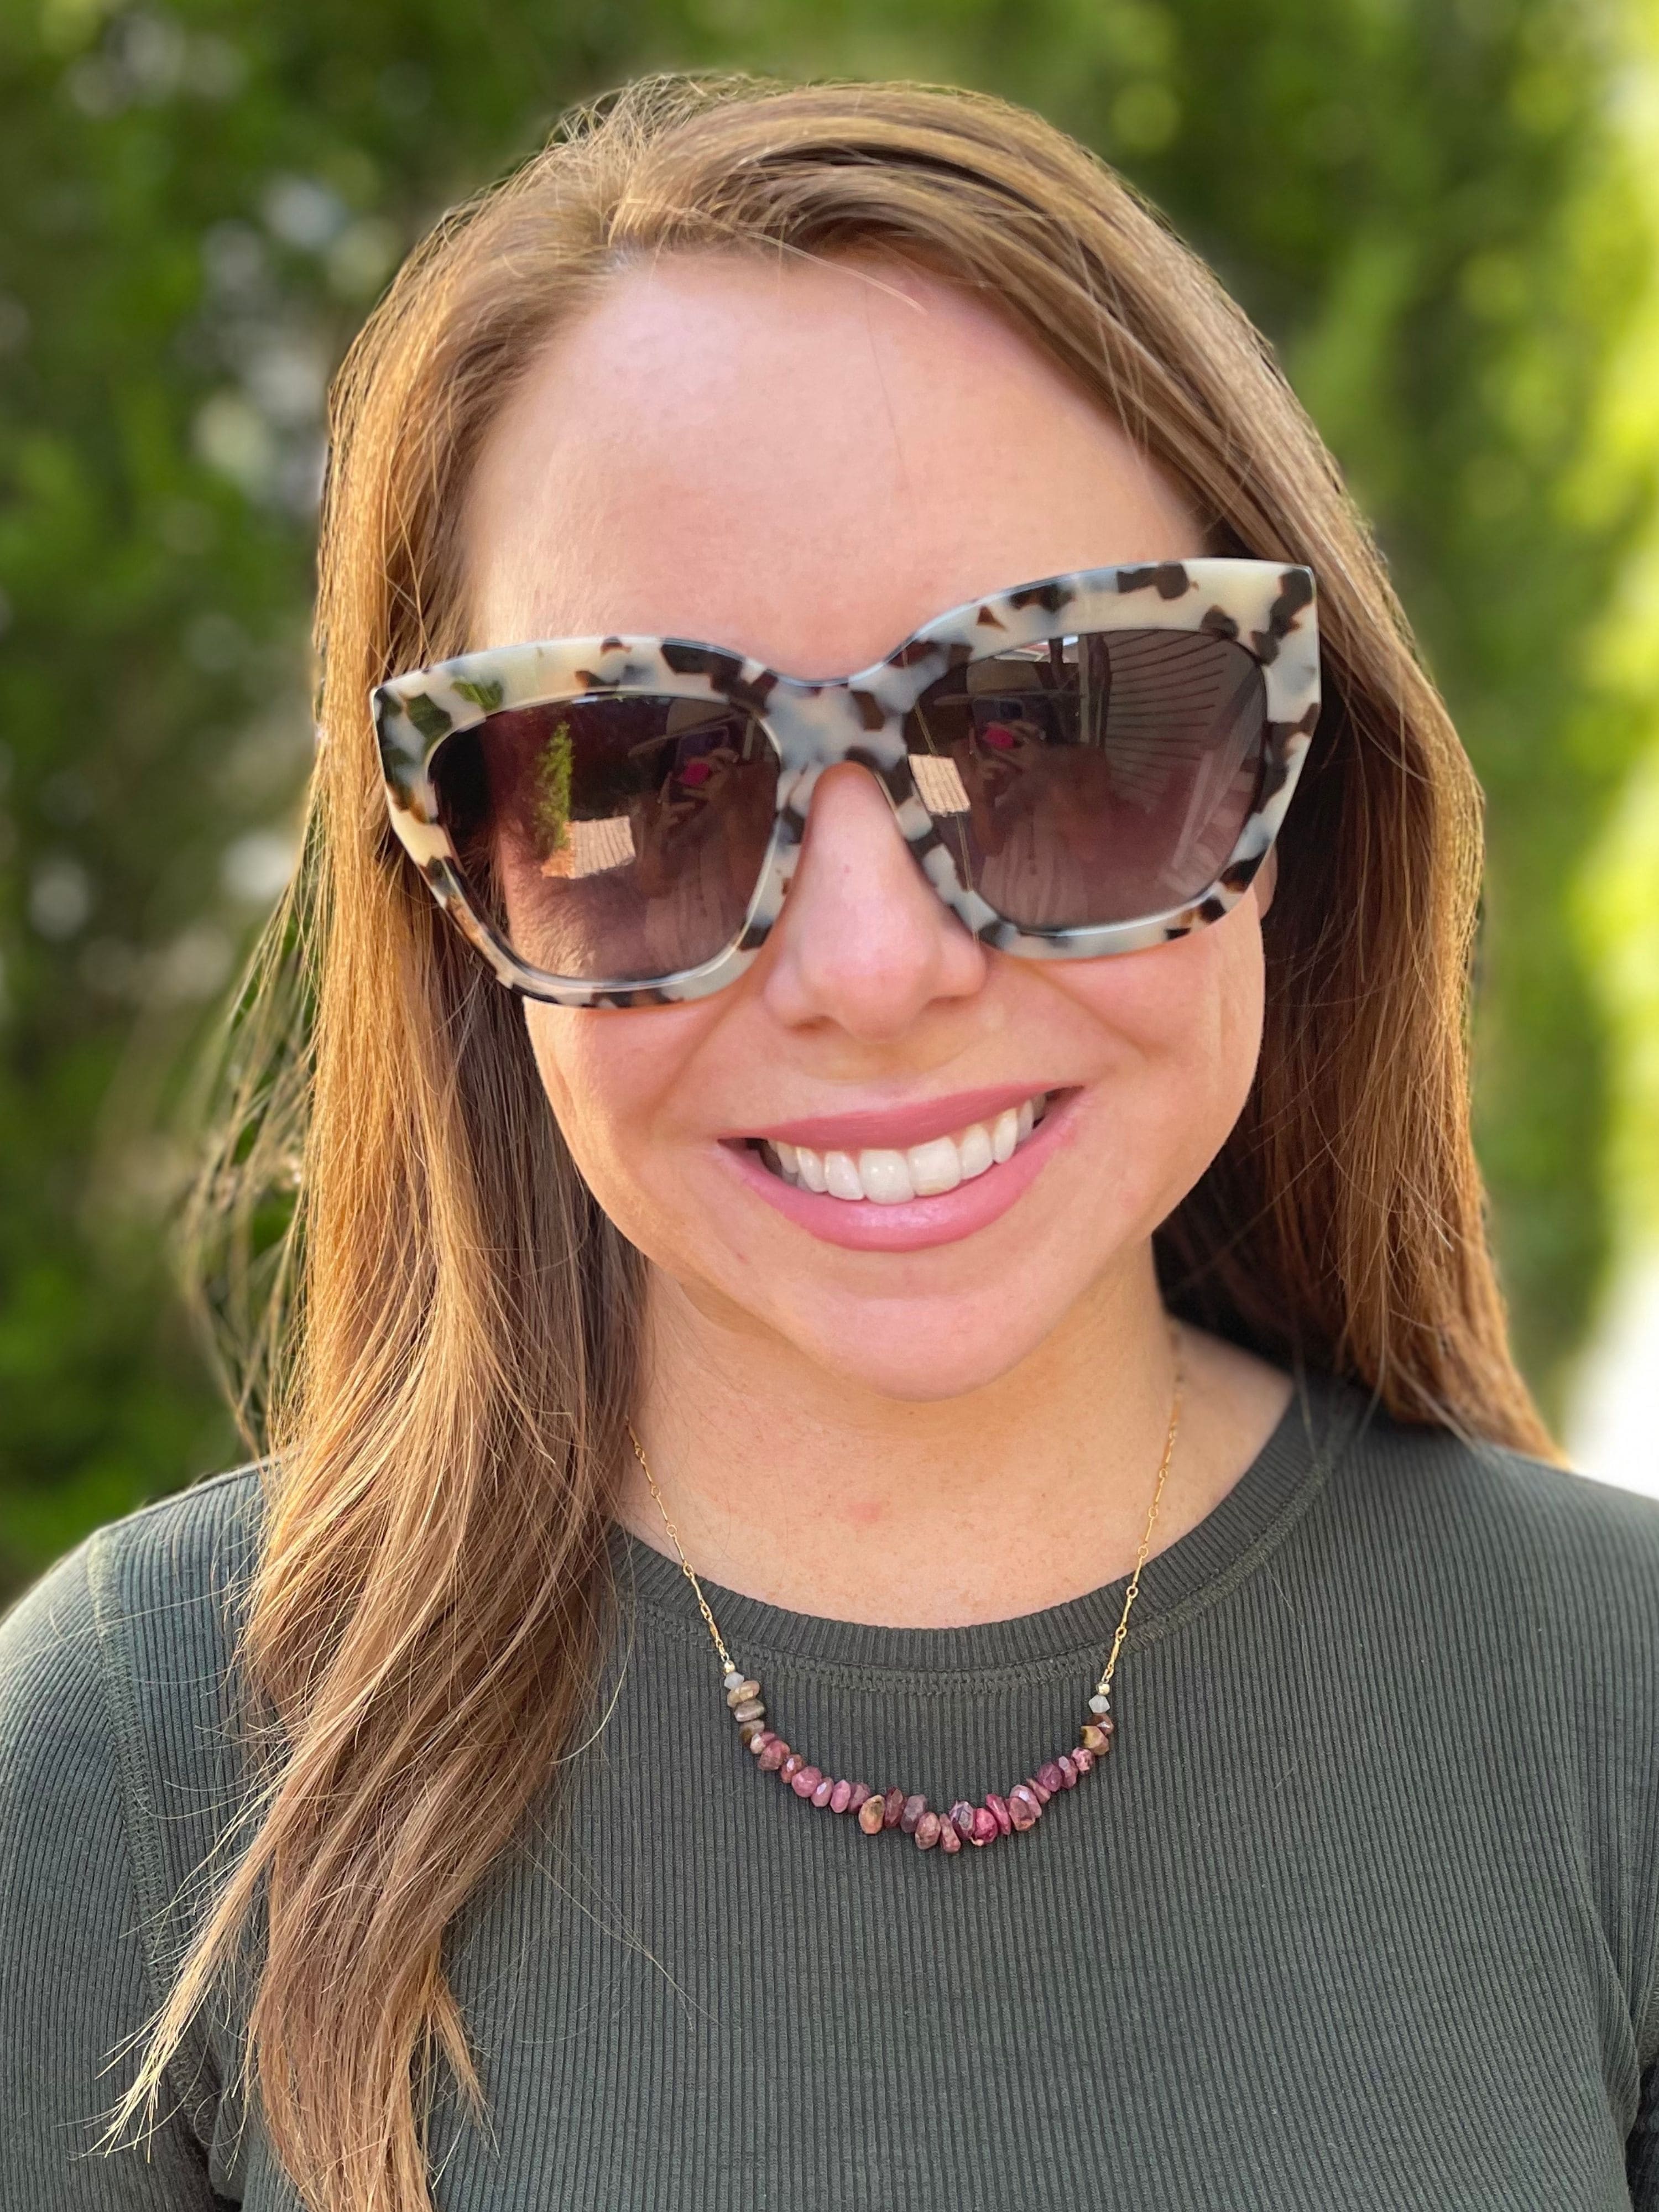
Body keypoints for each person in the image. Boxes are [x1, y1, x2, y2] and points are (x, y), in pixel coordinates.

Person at [3, 72, 1657, 2212]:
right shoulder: (135, 1780)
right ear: (465, 890)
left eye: (1064, 728)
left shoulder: (1613, 1727)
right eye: (642, 781)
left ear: (1291, 782)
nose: (872, 966)